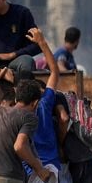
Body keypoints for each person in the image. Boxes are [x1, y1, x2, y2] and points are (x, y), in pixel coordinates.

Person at [28, 28, 63, 174]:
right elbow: (54, 71)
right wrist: (42, 42)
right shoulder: (44, 105)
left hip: (30, 169)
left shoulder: (16, 111)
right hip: (51, 165)